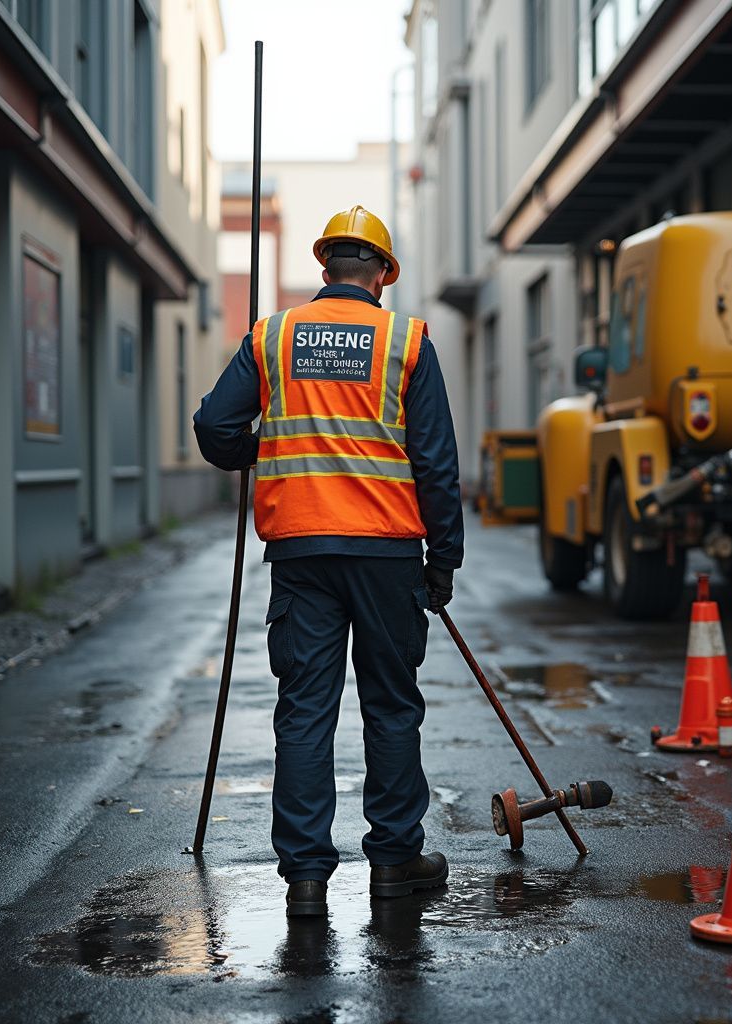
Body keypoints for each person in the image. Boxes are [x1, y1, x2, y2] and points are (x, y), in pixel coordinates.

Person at [194, 205, 463, 915]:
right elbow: (435, 461)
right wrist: (445, 560)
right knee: (392, 706)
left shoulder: (273, 335)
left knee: (306, 712)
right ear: (382, 273)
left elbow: (215, 425)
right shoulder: (406, 341)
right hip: (387, 553)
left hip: (302, 552)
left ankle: (307, 879)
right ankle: (395, 861)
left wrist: (257, 450)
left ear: (324, 268)